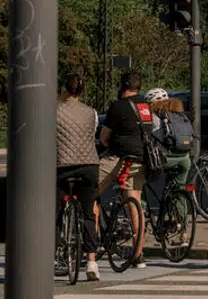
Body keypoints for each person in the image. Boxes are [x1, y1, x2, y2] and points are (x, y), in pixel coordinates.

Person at [99, 71, 150, 269]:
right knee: (135, 204)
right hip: (141, 159)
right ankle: (138, 254)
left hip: (119, 159)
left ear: (122, 87)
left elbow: (104, 137)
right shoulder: (145, 106)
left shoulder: (117, 106)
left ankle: (91, 248)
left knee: (89, 191)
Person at [55, 74, 101, 281]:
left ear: (64, 89)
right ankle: (92, 262)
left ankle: (55, 255)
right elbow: (91, 136)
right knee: (88, 213)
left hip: (62, 166)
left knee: (54, 213)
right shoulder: (91, 112)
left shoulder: (53, 110)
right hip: (89, 166)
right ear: (82, 92)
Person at [143, 88, 194, 203]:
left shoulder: (154, 118)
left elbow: (144, 136)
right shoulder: (180, 115)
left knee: (139, 178)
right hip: (185, 159)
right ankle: (182, 219)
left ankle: (142, 208)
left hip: (165, 160)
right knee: (180, 188)